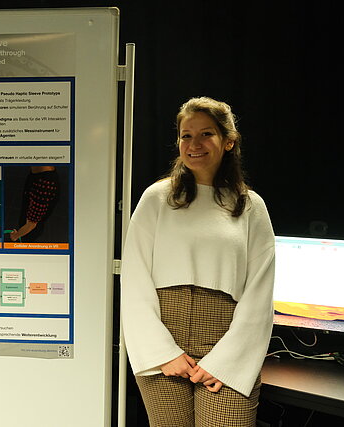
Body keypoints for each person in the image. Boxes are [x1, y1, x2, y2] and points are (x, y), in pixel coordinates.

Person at [121, 97, 275, 426]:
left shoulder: (250, 206)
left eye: (206, 134)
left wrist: (227, 360)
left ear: (228, 141)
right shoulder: (156, 198)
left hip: (226, 341)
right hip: (163, 339)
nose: (194, 144)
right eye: (186, 136)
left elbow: (260, 293)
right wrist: (163, 352)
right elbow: (134, 280)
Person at [9, 166, 59, 242]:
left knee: (29, 231)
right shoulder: (39, 173)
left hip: (29, 229)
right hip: (36, 177)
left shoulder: (44, 185)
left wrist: (15, 236)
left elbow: (31, 224)